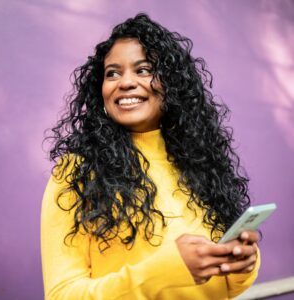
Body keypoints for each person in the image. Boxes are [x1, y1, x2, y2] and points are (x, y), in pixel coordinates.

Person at [41, 13, 260, 300]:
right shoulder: (77, 172)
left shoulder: (199, 163)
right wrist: (166, 271)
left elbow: (224, 288)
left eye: (143, 70)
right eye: (113, 73)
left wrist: (241, 264)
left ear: (172, 84)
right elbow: (62, 295)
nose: (126, 82)